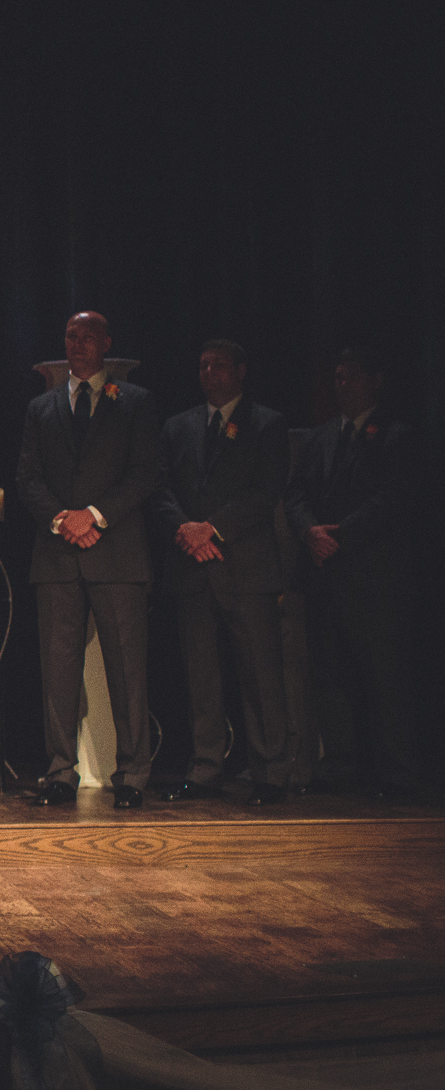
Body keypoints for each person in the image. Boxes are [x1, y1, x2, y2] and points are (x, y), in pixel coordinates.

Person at [16, 311, 159, 809]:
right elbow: (28, 477)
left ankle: (133, 774)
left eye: (88, 337)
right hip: (58, 555)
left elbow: (145, 472)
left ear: (106, 343)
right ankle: (60, 771)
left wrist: (94, 516)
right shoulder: (42, 407)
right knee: (57, 673)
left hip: (116, 554)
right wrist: (62, 519)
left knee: (127, 671)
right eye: (70, 336)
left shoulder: (135, 402)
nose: (77, 344)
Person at [152, 341, 291, 806]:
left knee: (260, 675)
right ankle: (205, 767)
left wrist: (212, 528)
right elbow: (161, 487)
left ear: (241, 370)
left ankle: (270, 772)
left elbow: (265, 490)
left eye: (220, 365)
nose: (210, 372)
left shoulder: (266, 423)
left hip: (245, 568)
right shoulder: (178, 425)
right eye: (203, 365)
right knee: (201, 676)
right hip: (192, 568)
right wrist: (185, 529)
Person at [284, 347, 420, 796]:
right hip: (324, 576)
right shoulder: (320, 437)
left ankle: (395, 773)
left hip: (373, 578)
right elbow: (296, 494)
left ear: (375, 381)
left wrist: (338, 536)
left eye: (352, 377)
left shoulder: (395, 436)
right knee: (330, 676)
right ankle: (340, 765)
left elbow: (391, 499)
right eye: (338, 377)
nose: (343, 385)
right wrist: (308, 531)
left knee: (383, 679)